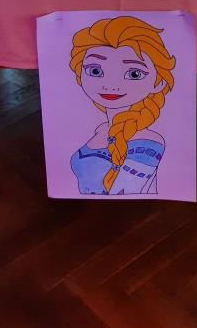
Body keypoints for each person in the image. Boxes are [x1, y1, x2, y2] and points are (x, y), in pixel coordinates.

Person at [69, 16, 176, 195]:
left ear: (159, 83)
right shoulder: (102, 129)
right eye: (95, 70)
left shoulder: (148, 144)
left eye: (134, 74)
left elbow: (126, 194)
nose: (110, 85)